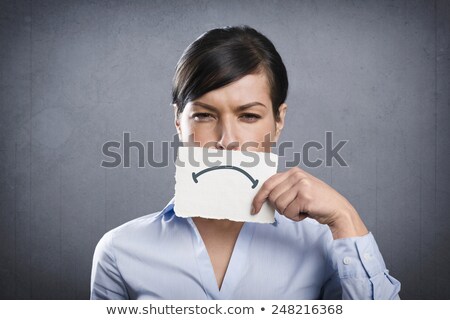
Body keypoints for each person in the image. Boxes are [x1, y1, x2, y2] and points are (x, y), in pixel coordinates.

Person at [90, 25, 401, 299]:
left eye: (249, 115)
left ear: (278, 121)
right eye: (203, 114)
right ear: (178, 122)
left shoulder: (327, 243)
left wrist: (346, 217)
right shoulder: (120, 250)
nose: (227, 140)